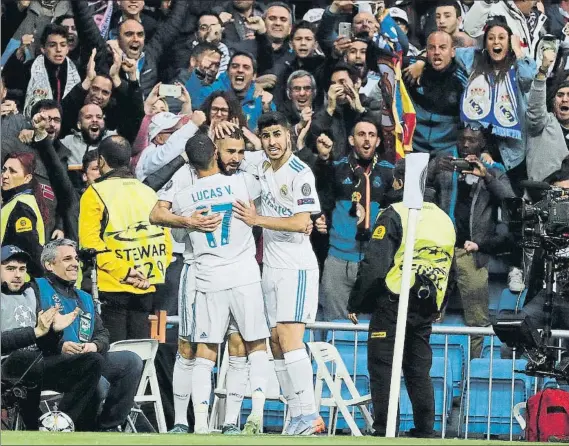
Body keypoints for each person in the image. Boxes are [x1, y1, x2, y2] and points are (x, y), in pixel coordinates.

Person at [172, 129, 271, 435]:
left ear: (190, 162)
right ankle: (254, 413)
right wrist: (253, 143)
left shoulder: (183, 197)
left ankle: (199, 424)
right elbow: (266, 168)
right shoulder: (242, 182)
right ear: (216, 153)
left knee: (205, 351)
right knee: (254, 345)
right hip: (244, 276)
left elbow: (178, 235)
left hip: (208, 278)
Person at [348, 158, 456, 438]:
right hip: (427, 305)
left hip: (394, 301)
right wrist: (441, 305)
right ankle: (424, 430)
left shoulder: (396, 212)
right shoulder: (445, 220)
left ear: (398, 182)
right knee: (418, 368)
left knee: (383, 366)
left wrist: (357, 303)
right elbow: (449, 268)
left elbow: (375, 265)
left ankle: (386, 429)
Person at [233, 111, 325, 435]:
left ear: (289, 135)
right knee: (274, 342)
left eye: (277, 135)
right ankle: (296, 413)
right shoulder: (261, 166)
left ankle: (310, 414)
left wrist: (256, 220)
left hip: (296, 268)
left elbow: (303, 223)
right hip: (270, 267)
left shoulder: (300, 173)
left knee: (288, 337)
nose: (272, 142)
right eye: (267, 135)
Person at [35, 239, 143, 432]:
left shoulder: (84, 298)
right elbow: (29, 333)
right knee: (96, 376)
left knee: (131, 360)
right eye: (67, 259)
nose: (75, 263)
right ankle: (83, 428)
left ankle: (108, 427)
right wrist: (60, 346)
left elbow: (102, 334)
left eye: (76, 258)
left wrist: (95, 345)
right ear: (49, 265)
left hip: (89, 359)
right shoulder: (36, 289)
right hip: (52, 362)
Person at [430, 125, 516, 357]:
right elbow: (416, 189)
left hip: (472, 252)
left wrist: (485, 176)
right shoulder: (445, 165)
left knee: (478, 321)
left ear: (482, 145)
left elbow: (510, 199)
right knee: (428, 313)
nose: (466, 145)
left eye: (472, 141)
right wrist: (431, 170)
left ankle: (474, 367)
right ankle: (433, 367)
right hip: (440, 251)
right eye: (463, 140)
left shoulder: (493, 169)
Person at [78, 135, 173, 342]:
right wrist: (148, 275)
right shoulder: (149, 192)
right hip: (147, 286)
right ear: (130, 160)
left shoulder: (95, 193)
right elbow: (166, 242)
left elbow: (90, 244)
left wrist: (125, 272)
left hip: (112, 287)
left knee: (115, 357)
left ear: (101, 161)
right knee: (137, 354)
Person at [1, 244, 102, 432]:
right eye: (10, 269)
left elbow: (44, 343)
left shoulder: (30, 295)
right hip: (6, 368)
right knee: (25, 357)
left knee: (92, 361)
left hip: (36, 367)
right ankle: (34, 427)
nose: (17, 275)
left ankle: (58, 424)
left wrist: (54, 332)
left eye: (22, 269)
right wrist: (36, 332)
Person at [314, 119, 394, 322]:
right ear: (351, 139)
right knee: (335, 327)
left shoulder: (388, 172)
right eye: (361, 134)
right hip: (338, 261)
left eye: (372, 135)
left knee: (374, 331)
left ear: (377, 141)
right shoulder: (336, 168)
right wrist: (320, 219)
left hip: (374, 263)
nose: (367, 140)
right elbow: (321, 201)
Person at [1, 152, 48, 277]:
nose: (5, 175)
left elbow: (31, 249)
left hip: (19, 283)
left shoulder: (21, 206)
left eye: (12, 171)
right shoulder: (16, 201)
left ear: (27, 178)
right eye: (4, 169)